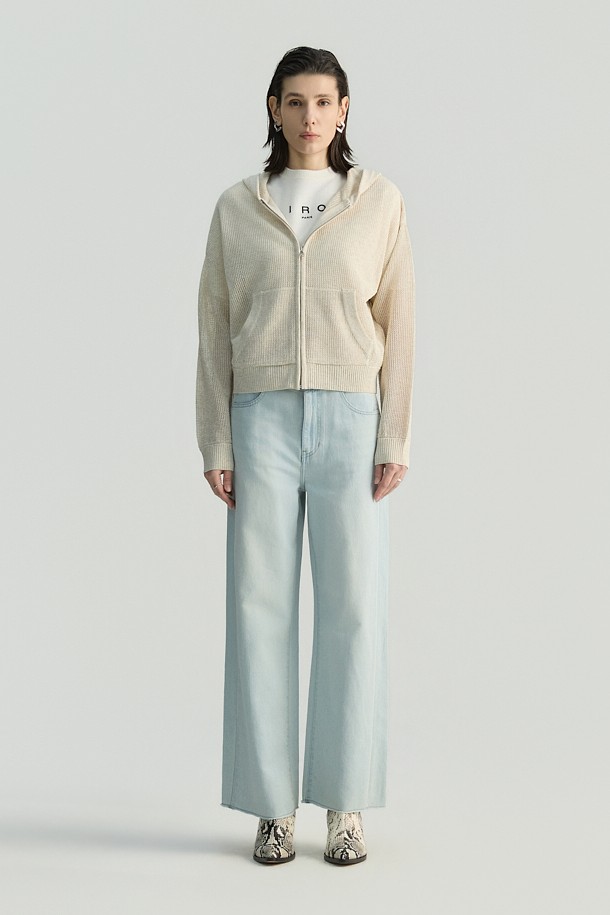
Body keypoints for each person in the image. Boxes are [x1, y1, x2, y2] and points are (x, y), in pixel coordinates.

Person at [195, 46, 416, 866]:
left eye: (324, 101)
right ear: (274, 109)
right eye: (295, 101)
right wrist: (216, 439)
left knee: (354, 607)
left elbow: (401, 322)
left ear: (344, 109)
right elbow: (213, 328)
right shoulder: (237, 207)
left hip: (352, 417)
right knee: (259, 607)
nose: (310, 116)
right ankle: (271, 808)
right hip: (260, 420)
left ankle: (345, 806)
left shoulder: (378, 201)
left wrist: (395, 434)